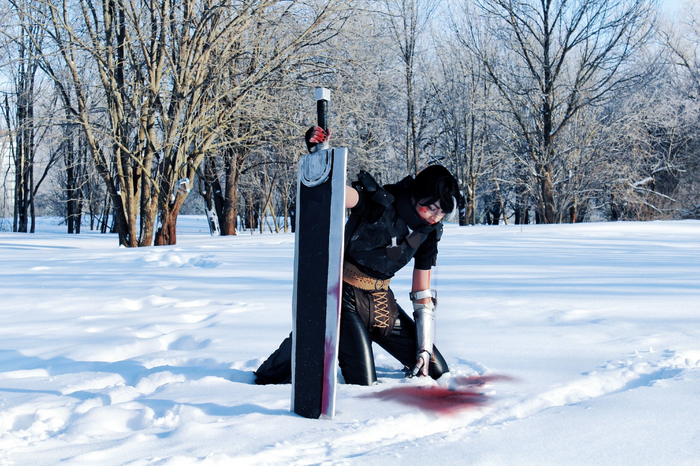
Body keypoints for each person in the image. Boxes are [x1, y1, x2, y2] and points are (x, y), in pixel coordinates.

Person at [255, 127, 461, 386]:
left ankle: (322, 336)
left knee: (437, 371)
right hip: (344, 298)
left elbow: (422, 292)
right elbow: (337, 193)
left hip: (382, 303)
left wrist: (423, 348)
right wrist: (322, 156)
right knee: (364, 385)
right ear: (417, 194)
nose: (435, 216)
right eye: (431, 208)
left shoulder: (429, 232)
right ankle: (303, 345)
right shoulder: (382, 203)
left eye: (442, 212)